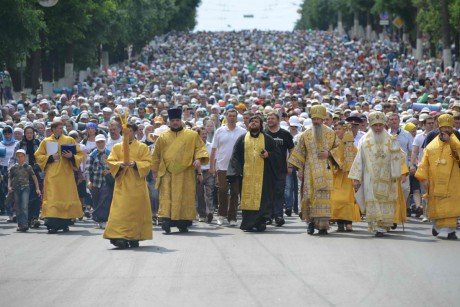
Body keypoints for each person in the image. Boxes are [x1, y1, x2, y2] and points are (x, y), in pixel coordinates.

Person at [348, 111, 408, 237]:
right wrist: (356, 178)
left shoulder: (391, 139)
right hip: (370, 177)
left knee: (386, 200)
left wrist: (401, 171)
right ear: (371, 126)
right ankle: (376, 226)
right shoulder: (364, 141)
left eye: (380, 125)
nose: (378, 128)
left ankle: (384, 225)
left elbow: (401, 157)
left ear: (384, 125)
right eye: (375, 125)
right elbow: (359, 159)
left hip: (388, 176)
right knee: (373, 200)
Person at [152, 108, 209, 234]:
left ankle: (183, 223)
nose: (175, 123)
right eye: (173, 120)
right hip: (167, 173)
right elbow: (155, 155)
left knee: (184, 198)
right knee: (167, 198)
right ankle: (166, 221)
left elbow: (200, 149)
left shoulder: (192, 135)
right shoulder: (163, 137)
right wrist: (155, 172)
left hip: (185, 173)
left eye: (177, 120)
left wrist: (199, 160)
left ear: (181, 120)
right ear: (169, 121)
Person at [288, 105, 339, 235]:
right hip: (309, 170)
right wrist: (299, 169)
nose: (316, 121)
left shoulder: (331, 133)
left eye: (318, 119)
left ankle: (322, 226)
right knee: (309, 197)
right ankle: (310, 223)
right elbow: (299, 152)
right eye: (314, 119)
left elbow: (339, 150)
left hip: (325, 171)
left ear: (323, 119)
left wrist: (329, 154)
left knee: (323, 198)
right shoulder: (305, 134)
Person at [227, 115, 281, 232]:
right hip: (245, 175)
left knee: (262, 199)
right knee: (247, 198)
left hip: (264, 175)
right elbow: (235, 156)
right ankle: (248, 223)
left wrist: (268, 155)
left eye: (256, 121)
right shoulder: (242, 138)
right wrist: (236, 171)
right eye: (251, 121)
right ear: (248, 125)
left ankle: (260, 222)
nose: (253, 123)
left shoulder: (267, 139)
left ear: (261, 125)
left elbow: (277, 155)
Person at [103, 123, 152, 248]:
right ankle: (118, 236)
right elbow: (111, 161)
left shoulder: (142, 147)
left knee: (135, 211)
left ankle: (135, 236)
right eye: (125, 131)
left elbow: (148, 163)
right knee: (120, 211)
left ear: (135, 132)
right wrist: (120, 164)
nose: (127, 134)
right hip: (122, 184)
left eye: (129, 131)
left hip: (137, 185)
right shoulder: (117, 147)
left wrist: (135, 164)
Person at [415, 114, 460, 240]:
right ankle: (437, 227)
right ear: (439, 128)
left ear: (452, 128)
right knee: (438, 205)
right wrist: (423, 178)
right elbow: (424, 162)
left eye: (448, 128)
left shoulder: (456, 142)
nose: (446, 130)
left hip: (453, 181)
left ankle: (450, 231)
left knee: (451, 206)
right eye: (443, 127)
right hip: (435, 181)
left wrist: (451, 140)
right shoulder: (431, 146)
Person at [34, 121, 84, 233]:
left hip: (66, 175)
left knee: (65, 198)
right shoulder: (46, 141)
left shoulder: (69, 140)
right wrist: (50, 158)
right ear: (53, 129)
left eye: (62, 128)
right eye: (59, 128)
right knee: (52, 198)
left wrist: (71, 156)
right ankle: (52, 224)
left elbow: (80, 154)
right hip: (52, 175)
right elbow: (38, 155)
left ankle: (65, 223)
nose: (61, 130)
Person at [209, 109, 246, 226]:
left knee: (235, 192)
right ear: (226, 117)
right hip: (222, 166)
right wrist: (212, 166)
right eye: (229, 116)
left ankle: (232, 217)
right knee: (223, 191)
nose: (231, 118)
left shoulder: (243, 131)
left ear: (236, 117)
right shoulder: (220, 131)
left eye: (234, 116)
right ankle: (221, 214)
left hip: (236, 167)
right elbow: (214, 149)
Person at [330, 121, 361, 232]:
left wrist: (356, 177)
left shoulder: (352, 146)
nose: (337, 131)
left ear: (345, 130)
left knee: (348, 200)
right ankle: (340, 223)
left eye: (339, 128)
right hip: (336, 175)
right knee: (336, 199)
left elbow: (357, 162)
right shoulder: (333, 144)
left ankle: (348, 223)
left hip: (348, 177)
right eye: (335, 128)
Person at [265, 112, 294, 226]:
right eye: (268, 118)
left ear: (278, 120)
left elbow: (292, 150)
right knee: (268, 193)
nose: (270, 120)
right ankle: (268, 216)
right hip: (266, 168)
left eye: (272, 118)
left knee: (279, 192)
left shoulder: (285, 134)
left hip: (281, 168)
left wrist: (290, 165)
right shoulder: (264, 134)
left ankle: (278, 216)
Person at [11, 126, 42, 228]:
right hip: (23, 174)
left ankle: (34, 218)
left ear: (34, 133)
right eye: (27, 133)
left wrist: (39, 166)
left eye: (31, 133)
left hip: (36, 173)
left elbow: (43, 157)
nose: (29, 135)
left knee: (36, 197)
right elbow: (13, 158)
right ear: (24, 134)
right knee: (25, 198)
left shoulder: (38, 143)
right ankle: (25, 220)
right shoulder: (20, 144)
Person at [8, 149, 41, 232]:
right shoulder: (13, 167)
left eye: (22, 156)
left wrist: (37, 188)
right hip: (16, 188)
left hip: (25, 188)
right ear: (16, 157)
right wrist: (9, 186)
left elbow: (34, 178)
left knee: (24, 206)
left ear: (24, 157)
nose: (20, 158)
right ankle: (20, 225)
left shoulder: (28, 167)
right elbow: (10, 177)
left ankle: (25, 224)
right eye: (18, 156)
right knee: (18, 207)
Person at [86, 134, 113, 229]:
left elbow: (115, 167)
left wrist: (109, 171)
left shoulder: (110, 153)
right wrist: (89, 181)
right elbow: (88, 170)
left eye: (102, 141)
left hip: (106, 181)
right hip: (95, 181)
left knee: (105, 200)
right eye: (98, 142)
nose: (100, 144)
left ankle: (104, 219)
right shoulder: (92, 155)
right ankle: (97, 219)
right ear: (95, 143)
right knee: (96, 200)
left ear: (105, 142)